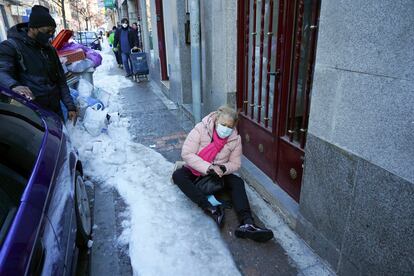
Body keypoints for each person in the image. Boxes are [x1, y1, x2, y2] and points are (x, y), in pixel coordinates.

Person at [172, 106, 274, 242]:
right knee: (178, 175)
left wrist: (223, 168)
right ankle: (211, 208)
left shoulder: (235, 139)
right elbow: (187, 153)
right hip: (196, 169)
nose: (226, 129)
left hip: (218, 173)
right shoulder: (201, 129)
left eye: (229, 126)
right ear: (216, 120)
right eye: (223, 124)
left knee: (237, 182)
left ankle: (247, 223)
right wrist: (208, 167)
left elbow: (235, 164)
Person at [0, 5, 77, 122]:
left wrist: (70, 106)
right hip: (32, 114)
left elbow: (61, 80)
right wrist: (14, 86)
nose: (51, 35)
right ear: (33, 28)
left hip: (55, 111)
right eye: (47, 31)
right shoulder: (11, 46)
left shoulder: (49, 49)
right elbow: (2, 71)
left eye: (53, 31)